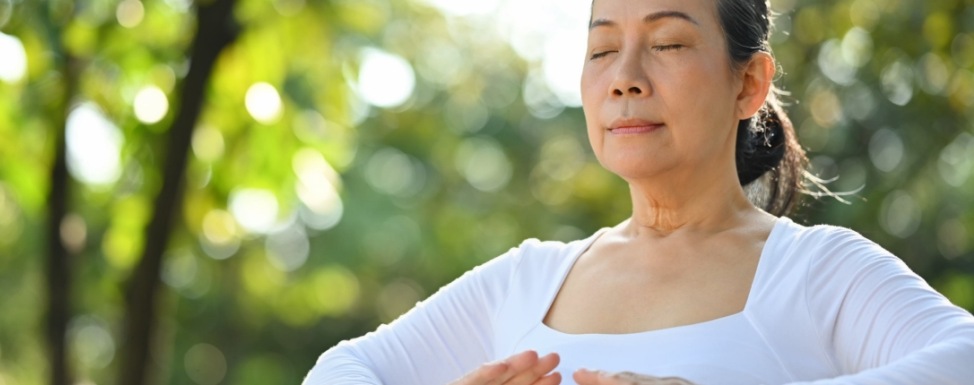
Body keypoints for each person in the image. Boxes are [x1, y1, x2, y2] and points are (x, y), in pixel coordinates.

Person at [302, 0, 974, 383]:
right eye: (601, 50)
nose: (624, 77)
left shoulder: (817, 272)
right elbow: (341, 368)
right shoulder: (526, 280)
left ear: (749, 84)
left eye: (669, 43)